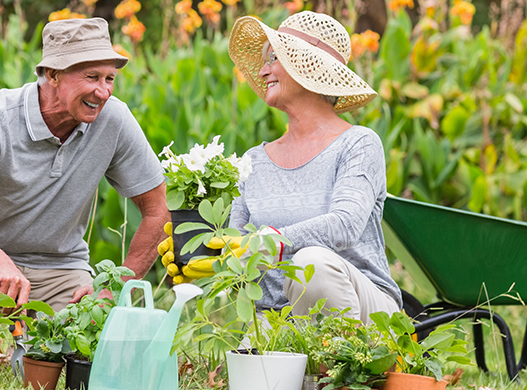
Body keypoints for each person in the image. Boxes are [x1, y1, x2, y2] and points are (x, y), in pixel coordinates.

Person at [161, 11, 401, 324]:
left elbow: (345, 225)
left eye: (272, 58)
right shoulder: (254, 161)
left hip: (369, 317)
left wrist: (267, 241)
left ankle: (344, 371)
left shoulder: (358, 144)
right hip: (277, 322)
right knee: (251, 363)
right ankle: (300, 366)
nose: (262, 72)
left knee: (309, 264)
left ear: (307, 64)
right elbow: (239, 248)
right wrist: (199, 255)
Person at [0, 17, 168, 312]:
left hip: (62, 270)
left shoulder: (114, 121)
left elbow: (159, 209)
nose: (104, 92)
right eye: (92, 77)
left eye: (110, 79)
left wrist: (115, 286)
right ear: (53, 75)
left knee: (86, 331)